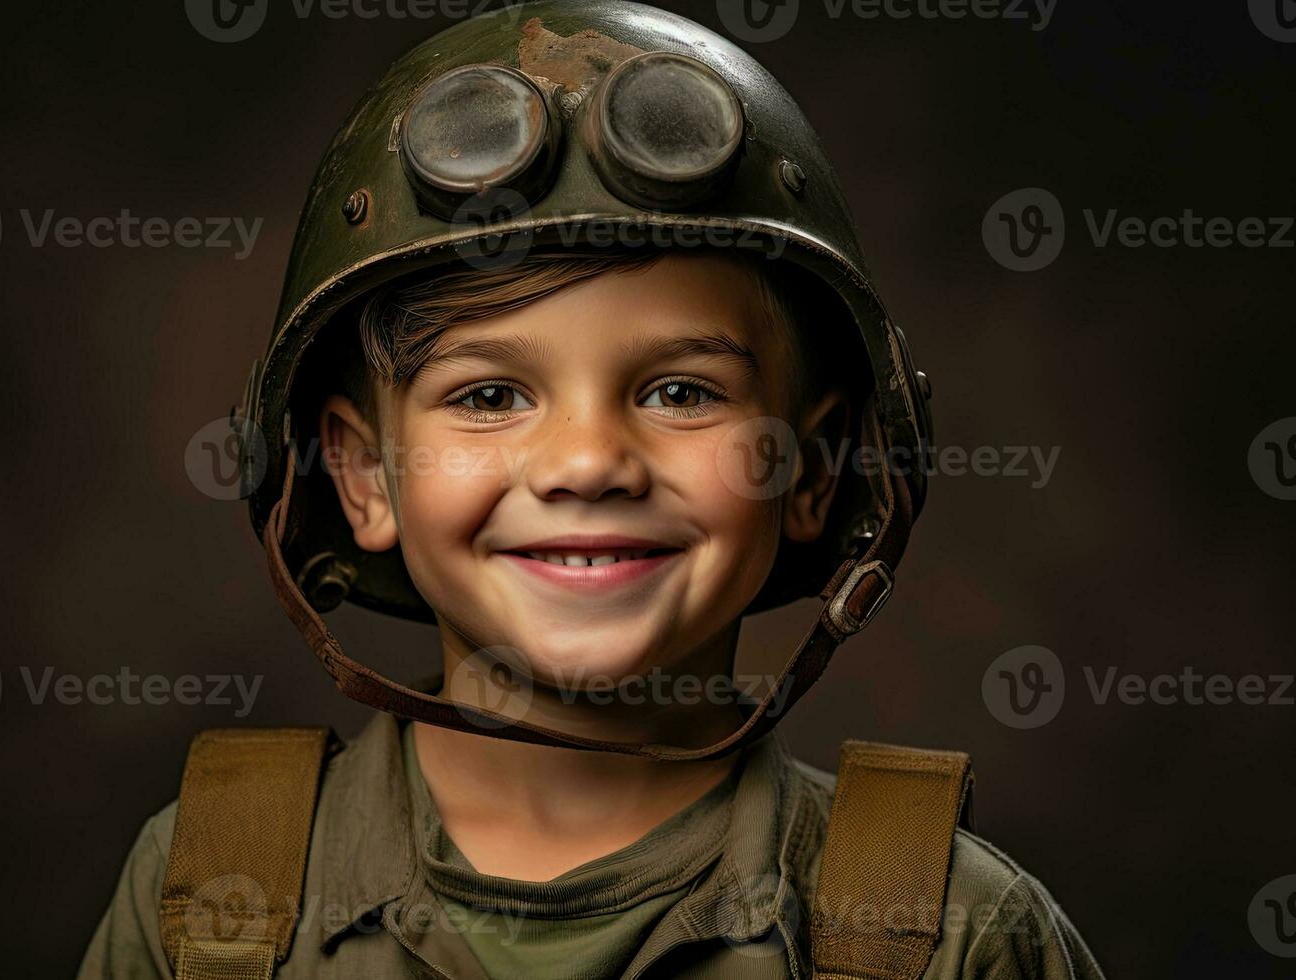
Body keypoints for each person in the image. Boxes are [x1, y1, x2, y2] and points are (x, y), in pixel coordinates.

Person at [78, 2, 1105, 977]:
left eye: (678, 390)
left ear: (814, 467)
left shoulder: (948, 933)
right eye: (487, 394)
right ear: (360, 474)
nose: (587, 461)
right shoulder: (207, 900)